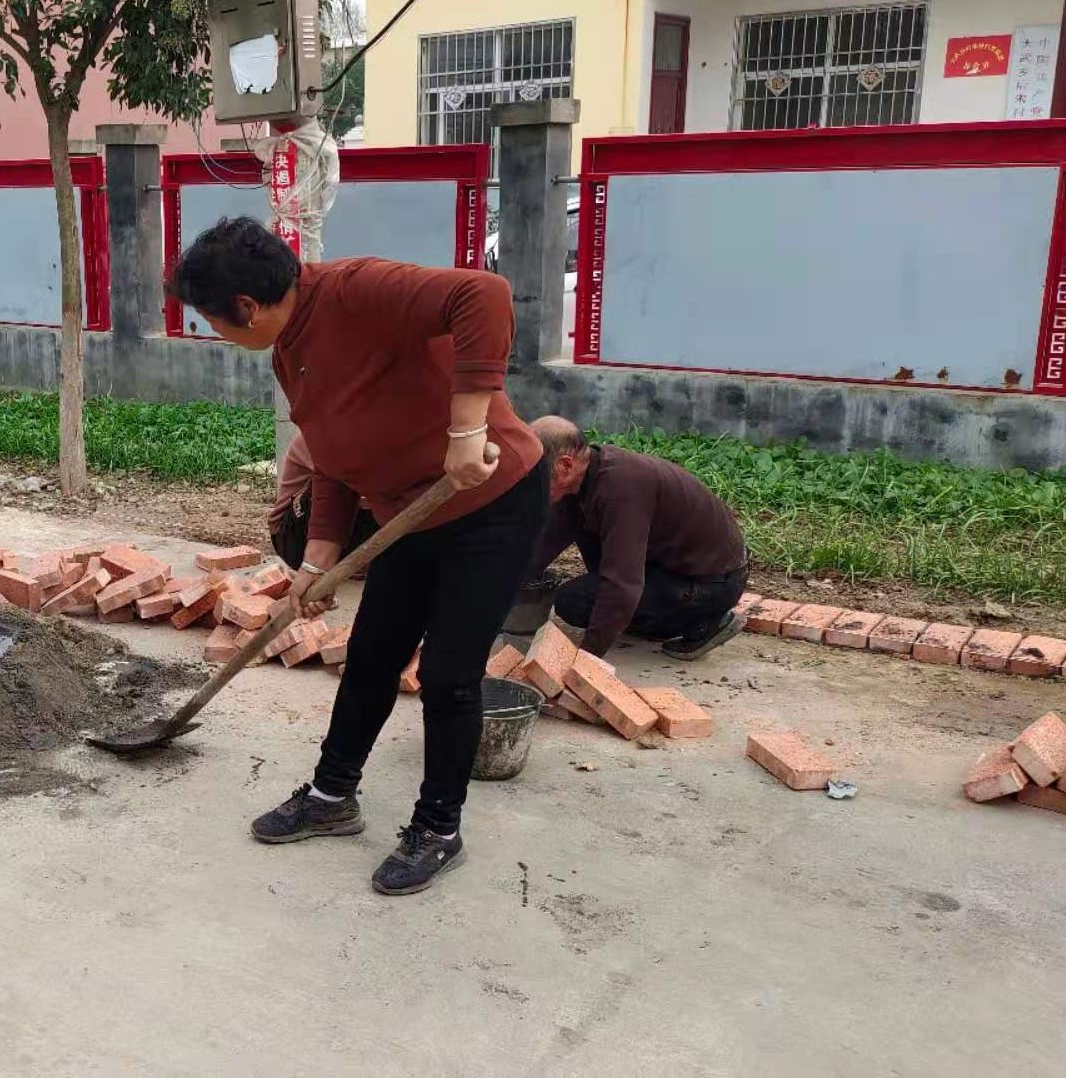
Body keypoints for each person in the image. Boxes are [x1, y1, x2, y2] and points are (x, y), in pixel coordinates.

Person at [170, 217, 549, 896]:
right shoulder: (289, 349)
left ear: (246, 307)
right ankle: (331, 796)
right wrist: (316, 563)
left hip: (492, 500)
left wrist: (467, 427)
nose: (217, 334)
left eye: (213, 321)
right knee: (371, 655)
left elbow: (484, 294)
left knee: (448, 674)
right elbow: (334, 458)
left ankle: (439, 828)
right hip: (408, 514)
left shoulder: (358, 289)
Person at [524, 416, 749, 661]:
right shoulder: (586, 477)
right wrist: (501, 590)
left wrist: (585, 661)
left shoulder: (621, 489)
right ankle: (639, 615)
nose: (531, 489)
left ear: (565, 466)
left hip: (712, 583)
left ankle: (703, 623)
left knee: (576, 601)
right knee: (584, 568)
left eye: (536, 479)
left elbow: (621, 584)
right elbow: (546, 541)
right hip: (672, 567)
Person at [270, 433, 378, 570]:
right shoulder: (323, 434)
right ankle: (321, 561)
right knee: (336, 488)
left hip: (342, 527)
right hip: (291, 536)